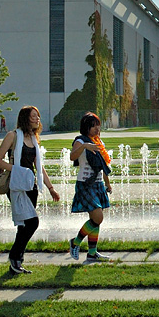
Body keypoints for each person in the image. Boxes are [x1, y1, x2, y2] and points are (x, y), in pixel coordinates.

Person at [0, 105, 60, 274]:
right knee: (32, 222)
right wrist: (17, 170)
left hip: (31, 186)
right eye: (33, 116)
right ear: (25, 118)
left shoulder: (34, 138)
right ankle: (15, 257)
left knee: (24, 225)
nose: (37, 119)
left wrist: (50, 188)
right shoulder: (13, 136)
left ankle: (16, 262)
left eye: (38, 116)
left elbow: (39, 166)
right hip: (16, 185)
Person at [68, 112, 113, 263]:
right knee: (98, 217)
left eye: (97, 125)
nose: (96, 128)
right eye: (92, 126)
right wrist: (85, 146)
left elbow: (102, 165)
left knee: (96, 219)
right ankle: (75, 242)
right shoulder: (80, 141)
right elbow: (72, 156)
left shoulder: (99, 142)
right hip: (86, 184)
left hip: (98, 183)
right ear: (85, 127)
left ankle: (92, 253)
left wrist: (107, 183)